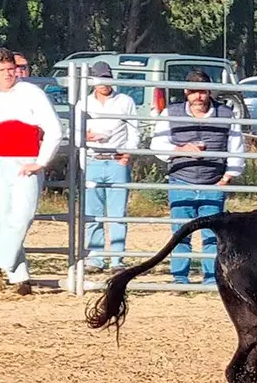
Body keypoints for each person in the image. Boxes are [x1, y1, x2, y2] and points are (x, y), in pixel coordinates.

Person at [0, 47, 62, 296]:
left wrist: (41, 161)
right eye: (2, 70)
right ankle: (19, 277)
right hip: (0, 162)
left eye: (11, 69)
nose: (8, 74)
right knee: (3, 220)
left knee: (23, 216)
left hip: (26, 161)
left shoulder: (31, 93)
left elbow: (54, 129)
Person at [149, 70, 244, 287]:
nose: (198, 97)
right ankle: (180, 278)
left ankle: (212, 279)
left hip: (214, 181)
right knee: (180, 233)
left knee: (214, 236)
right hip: (181, 180)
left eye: (202, 91)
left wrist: (229, 175)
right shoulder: (170, 113)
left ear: (209, 91)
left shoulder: (227, 114)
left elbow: (236, 147)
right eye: (193, 92)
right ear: (186, 92)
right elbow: (157, 146)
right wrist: (181, 148)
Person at [76, 60, 138, 272]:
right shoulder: (83, 103)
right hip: (93, 160)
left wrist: (127, 155)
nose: (103, 82)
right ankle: (95, 257)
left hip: (116, 161)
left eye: (106, 77)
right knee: (92, 214)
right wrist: (85, 136)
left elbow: (134, 131)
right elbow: (74, 133)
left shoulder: (125, 101)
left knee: (117, 214)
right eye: (99, 78)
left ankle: (116, 259)